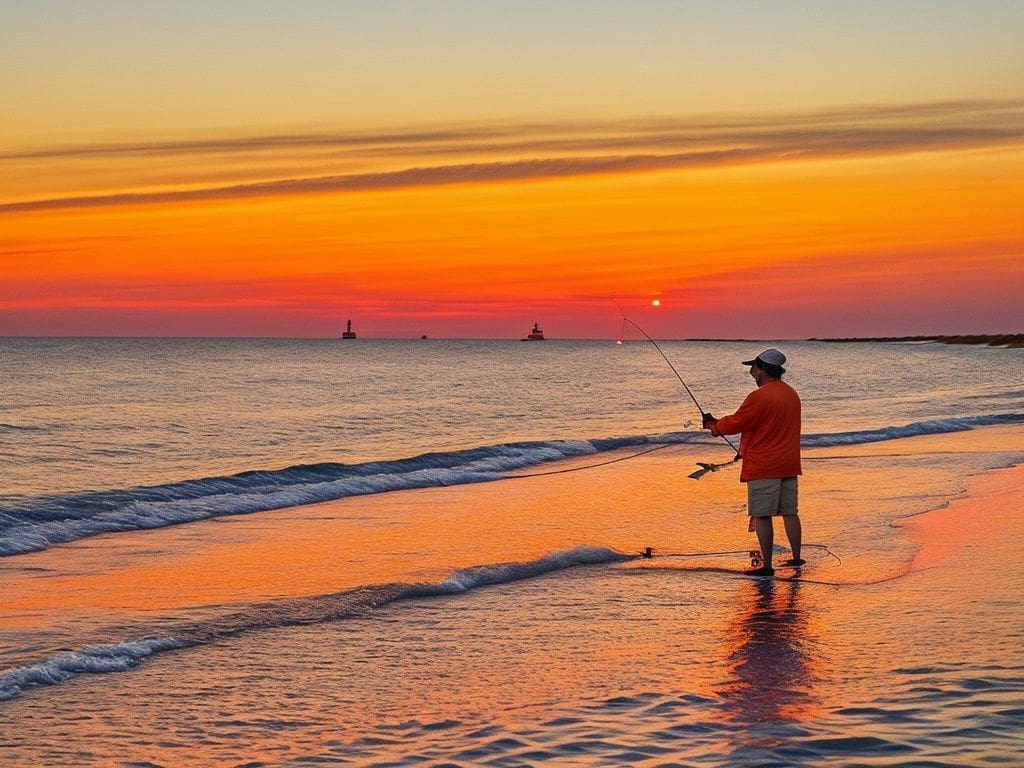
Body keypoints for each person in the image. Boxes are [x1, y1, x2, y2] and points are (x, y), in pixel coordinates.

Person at [702, 349, 803, 576]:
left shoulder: (759, 396)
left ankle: (767, 566)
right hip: (788, 463)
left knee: (763, 514)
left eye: (753, 368)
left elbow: (739, 422)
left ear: (763, 370)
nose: (751, 373)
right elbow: (761, 425)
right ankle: (797, 559)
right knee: (790, 512)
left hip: (764, 465)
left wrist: (714, 426)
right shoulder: (791, 394)